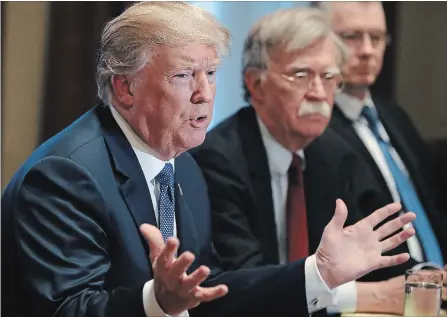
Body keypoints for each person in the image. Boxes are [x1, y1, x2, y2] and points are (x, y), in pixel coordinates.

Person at [1, 2, 416, 317]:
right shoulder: (64, 175)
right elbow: (66, 309)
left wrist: (318, 272)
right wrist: (155, 300)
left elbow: (209, 291)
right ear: (126, 88)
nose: (205, 93)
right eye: (184, 75)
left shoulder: (182, 165)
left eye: (211, 73)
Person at [191, 7, 425, 316]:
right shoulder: (217, 160)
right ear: (256, 85)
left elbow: (357, 266)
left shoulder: (333, 155)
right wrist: (365, 295)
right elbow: (243, 283)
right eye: (301, 75)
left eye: (329, 77)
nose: (318, 93)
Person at [317, 1, 447, 267]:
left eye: (376, 38)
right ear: (318, 40)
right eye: (351, 37)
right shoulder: (314, 130)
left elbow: (433, 208)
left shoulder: (394, 116)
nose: (367, 50)